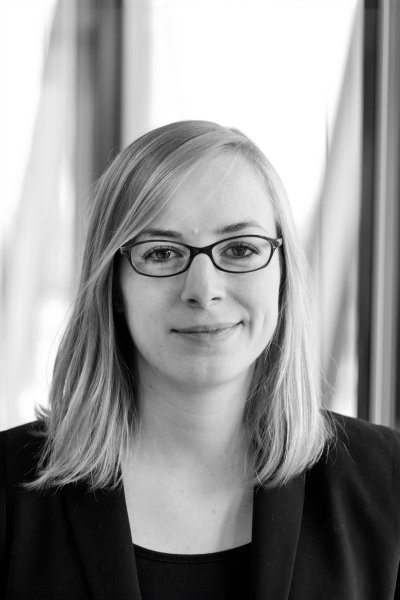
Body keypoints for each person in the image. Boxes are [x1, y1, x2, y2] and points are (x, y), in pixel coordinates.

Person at [1, 120, 399, 600]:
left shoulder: (388, 481)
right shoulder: (8, 490)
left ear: (282, 275)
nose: (203, 290)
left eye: (240, 249)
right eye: (161, 253)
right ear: (113, 286)